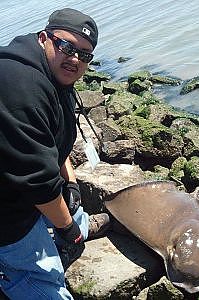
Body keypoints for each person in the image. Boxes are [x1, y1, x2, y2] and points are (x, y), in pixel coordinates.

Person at [0, 8, 110, 299]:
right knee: (47, 282)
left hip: (26, 186)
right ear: (43, 38)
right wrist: (67, 230)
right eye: (66, 46)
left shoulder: (54, 75)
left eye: (84, 55)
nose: (75, 59)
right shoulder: (19, 86)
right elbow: (38, 181)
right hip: (8, 211)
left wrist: (71, 184)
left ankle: (77, 226)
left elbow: (53, 142)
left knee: (72, 208)